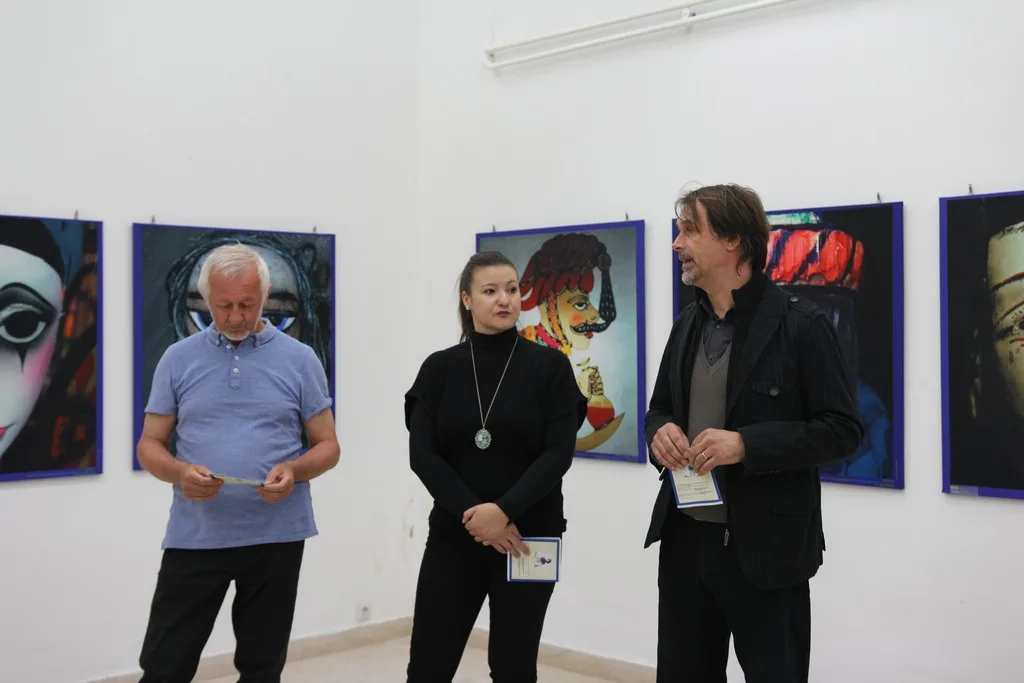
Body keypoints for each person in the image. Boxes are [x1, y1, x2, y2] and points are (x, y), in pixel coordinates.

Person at [645, 184, 864, 683]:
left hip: (767, 553)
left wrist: (746, 445)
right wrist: (660, 434)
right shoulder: (686, 324)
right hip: (685, 544)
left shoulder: (802, 325)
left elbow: (842, 430)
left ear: (733, 241)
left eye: (689, 230)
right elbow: (659, 410)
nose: (676, 243)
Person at [135, 242, 340, 683]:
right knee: (165, 665)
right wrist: (179, 473)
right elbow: (149, 445)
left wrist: (295, 471)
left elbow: (328, 446)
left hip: (277, 537)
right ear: (206, 299)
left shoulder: (301, 360)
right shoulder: (177, 359)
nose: (234, 317)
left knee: (262, 667)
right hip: (197, 535)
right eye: (223, 305)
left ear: (263, 297)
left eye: (247, 304)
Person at [403, 250, 587, 683]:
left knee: (514, 666)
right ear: (467, 300)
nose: (504, 299)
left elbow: (557, 454)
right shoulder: (438, 369)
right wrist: (477, 517)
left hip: (527, 537)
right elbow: (423, 456)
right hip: (455, 535)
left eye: (511, 289)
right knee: (429, 663)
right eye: (490, 291)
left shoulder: (550, 367)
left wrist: (503, 512)